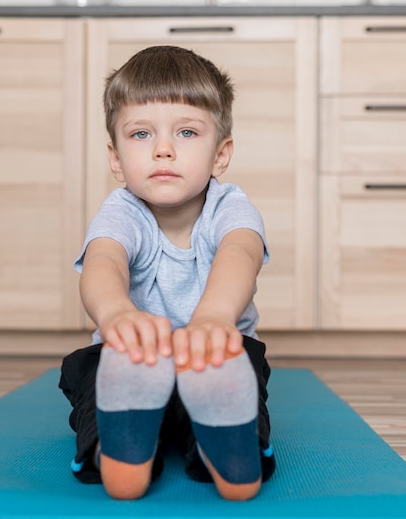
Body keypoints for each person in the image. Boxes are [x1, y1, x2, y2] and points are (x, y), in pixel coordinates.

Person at [59, 45, 275, 501]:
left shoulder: (228, 206)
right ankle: (117, 454)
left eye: (187, 132)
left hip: (213, 355)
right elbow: (104, 261)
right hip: (134, 358)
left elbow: (241, 252)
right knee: (95, 372)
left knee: (240, 370)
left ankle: (228, 450)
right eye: (140, 134)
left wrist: (214, 318)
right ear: (116, 158)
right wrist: (117, 314)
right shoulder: (122, 211)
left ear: (221, 154)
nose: (162, 149)